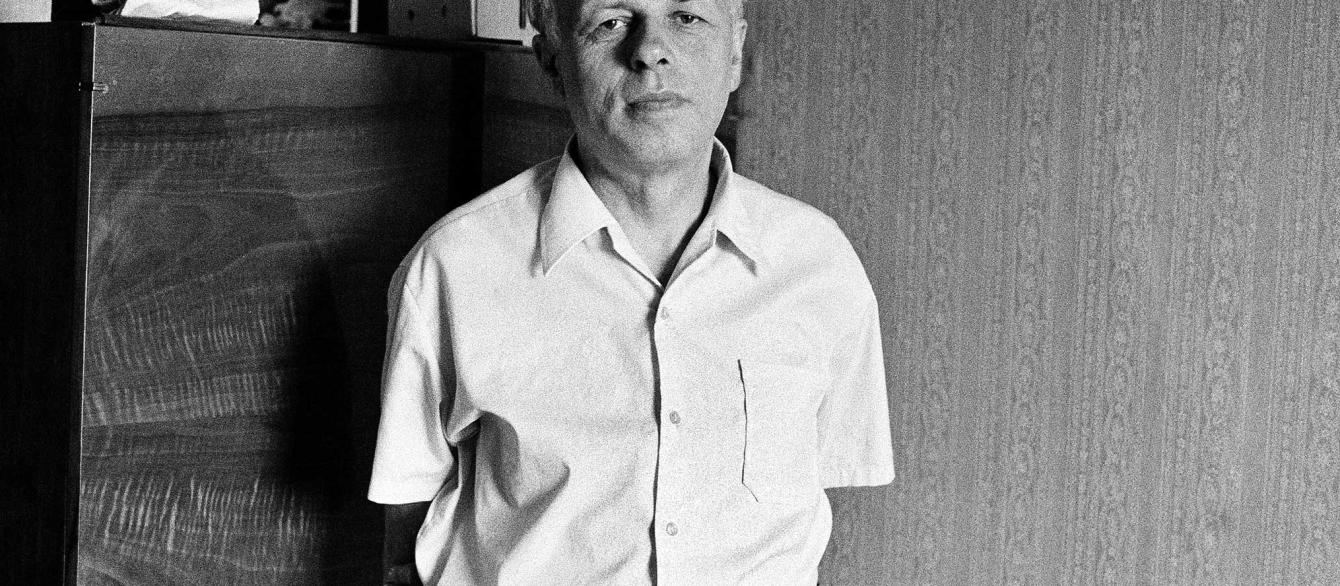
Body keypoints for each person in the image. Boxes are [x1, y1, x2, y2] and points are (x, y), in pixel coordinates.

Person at [368, 0, 894, 583]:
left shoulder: (820, 265)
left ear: (736, 53)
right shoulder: (454, 267)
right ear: (552, 59)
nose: (649, 50)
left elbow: (814, 504)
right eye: (611, 21)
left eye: (686, 17)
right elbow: (405, 542)